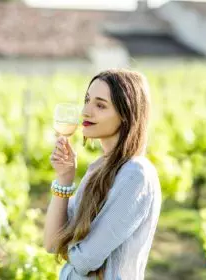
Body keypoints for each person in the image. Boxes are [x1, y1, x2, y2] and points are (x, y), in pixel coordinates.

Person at [43, 69, 162, 280]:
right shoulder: (97, 169)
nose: (86, 112)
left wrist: (68, 241)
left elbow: (86, 260)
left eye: (100, 105)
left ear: (126, 114)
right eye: (87, 100)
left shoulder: (135, 175)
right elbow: (51, 243)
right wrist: (64, 178)